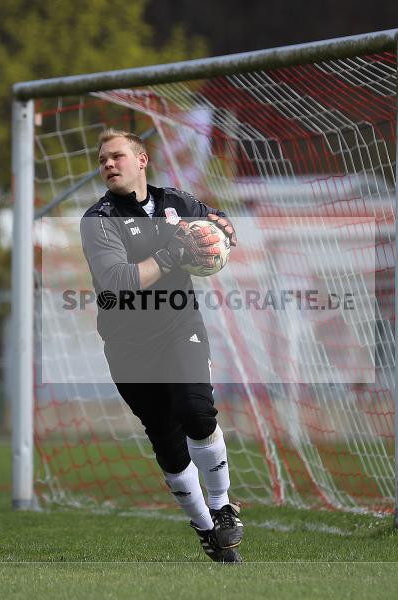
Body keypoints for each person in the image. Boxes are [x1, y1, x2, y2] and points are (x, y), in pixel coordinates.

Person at [79, 128, 243, 563]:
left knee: (196, 409)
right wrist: (172, 254)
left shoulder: (177, 203)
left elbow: (216, 222)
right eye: (102, 160)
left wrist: (222, 230)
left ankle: (223, 507)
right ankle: (206, 529)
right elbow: (118, 282)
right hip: (128, 344)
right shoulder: (98, 220)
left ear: (141, 160)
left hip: (178, 324)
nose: (108, 165)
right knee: (168, 444)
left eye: (116, 156)